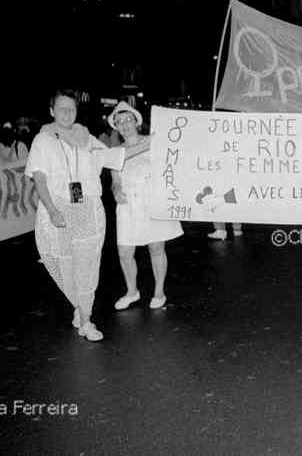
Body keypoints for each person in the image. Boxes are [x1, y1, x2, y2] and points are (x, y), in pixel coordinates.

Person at [25, 89, 148, 342]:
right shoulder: (43, 140)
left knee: (87, 267)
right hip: (58, 209)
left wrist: (150, 143)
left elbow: (115, 156)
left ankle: (86, 320)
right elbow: (39, 177)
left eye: (71, 108)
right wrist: (52, 210)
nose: (67, 113)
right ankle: (81, 310)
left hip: (89, 208)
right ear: (51, 111)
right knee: (64, 263)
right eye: (61, 108)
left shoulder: (85, 137)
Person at [108, 102, 184, 310]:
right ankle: (132, 292)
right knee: (124, 251)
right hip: (128, 204)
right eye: (119, 121)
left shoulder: (154, 141)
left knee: (156, 247)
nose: (124, 124)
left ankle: (159, 291)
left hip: (151, 197)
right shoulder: (115, 151)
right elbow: (115, 180)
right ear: (116, 126)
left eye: (128, 120)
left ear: (136, 122)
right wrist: (116, 190)